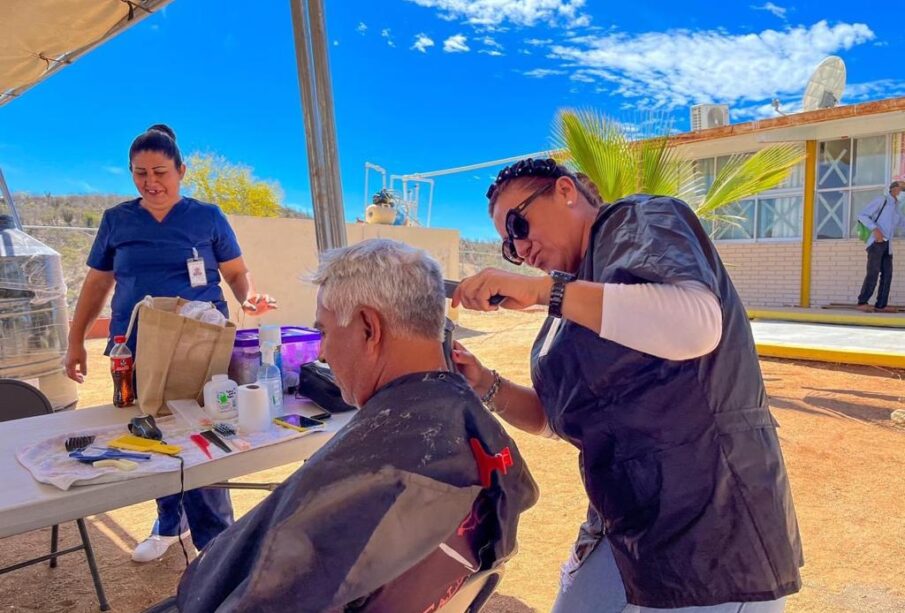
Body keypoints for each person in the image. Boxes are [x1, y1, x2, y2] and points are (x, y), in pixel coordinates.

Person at [451, 158, 803, 612]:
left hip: (710, 536)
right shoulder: (576, 302)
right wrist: (485, 382)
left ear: (565, 191)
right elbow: (557, 419)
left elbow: (695, 323)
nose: (520, 250)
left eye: (518, 224)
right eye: (508, 248)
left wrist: (544, 292)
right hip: (625, 527)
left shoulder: (638, 218)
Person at [167, 239, 538, 612]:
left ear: (368, 327)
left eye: (324, 332)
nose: (321, 353)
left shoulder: (374, 473)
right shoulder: (472, 428)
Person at [63, 124, 277, 563]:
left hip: (200, 347)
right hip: (135, 346)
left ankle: (215, 543)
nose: (150, 182)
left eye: (160, 171)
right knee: (152, 435)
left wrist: (247, 298)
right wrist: (76, 340)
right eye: (139, 173)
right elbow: (98, 283)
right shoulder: (117, 220)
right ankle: (168, 524)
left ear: (181, 171)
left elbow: (235, 272)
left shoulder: (207, 217)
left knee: (204, 437)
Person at [856, 181, 905, 313]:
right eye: (901, 189)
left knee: (887, 274)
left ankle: (881, 305)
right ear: (894, 189)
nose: (902, 192)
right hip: (876, 243)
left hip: (887, 245)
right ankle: (862, 302)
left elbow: (902, 223)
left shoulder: (896, 208)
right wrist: (875, 229)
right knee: (873, 273)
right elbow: (862, 215)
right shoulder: (881, 200)